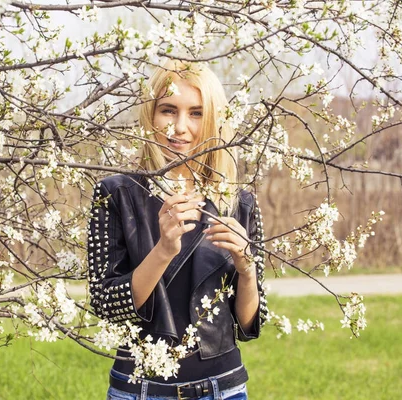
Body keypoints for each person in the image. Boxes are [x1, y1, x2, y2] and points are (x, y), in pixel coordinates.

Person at [88, 60, 268, 400]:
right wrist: (163, 251)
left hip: (223, 388)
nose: (180, 127)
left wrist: (247, 269)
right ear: (150, 115)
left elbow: (248, 326)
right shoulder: (117, 194)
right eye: (168, 110)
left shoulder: (238, 202)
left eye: (197, 113)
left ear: (214, 118)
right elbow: (105, 304)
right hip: (140, 390)